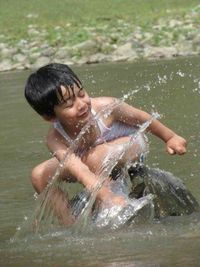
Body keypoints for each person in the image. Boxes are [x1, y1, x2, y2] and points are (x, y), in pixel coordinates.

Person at [24, 63, 187, 225]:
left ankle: (113, 200)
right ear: (50, 117)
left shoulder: (105, 107)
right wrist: (103, 195)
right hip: (90, 160)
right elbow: (78, 169)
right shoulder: (55, 138)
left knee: (94, 158)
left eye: (81, 93)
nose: (81, 105)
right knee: (39, 175)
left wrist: (170, 137)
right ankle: (69, 223)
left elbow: (141, 118)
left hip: (130, 145)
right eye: (69, 105)